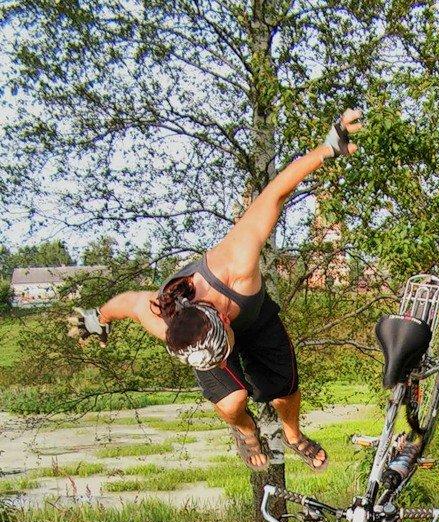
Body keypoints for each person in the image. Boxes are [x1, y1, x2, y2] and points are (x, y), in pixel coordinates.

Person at [68, 110, 362, 471]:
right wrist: (96, 319)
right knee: (231, 400)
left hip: (254, 318)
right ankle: (246, 430)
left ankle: (293, 435)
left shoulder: (235, 265)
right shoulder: (164, 318)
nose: (226, 360)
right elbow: (128, 303)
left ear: (222, 317)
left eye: (223, 354)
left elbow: (276, 193)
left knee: (284, 391)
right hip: (206, 342)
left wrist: (328, 148)